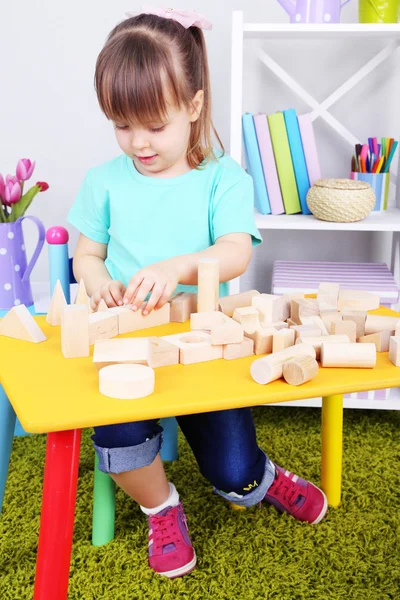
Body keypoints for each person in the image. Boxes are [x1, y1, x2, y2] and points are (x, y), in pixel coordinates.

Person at [68, 7, 328, 580]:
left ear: (192, 105)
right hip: (129, 345)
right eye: (121, 123)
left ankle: (262, 476)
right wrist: (100, 282)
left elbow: (237, 250)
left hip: (205, 343)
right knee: (118, 438)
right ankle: (161, 506)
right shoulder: (103, 181)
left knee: (234, 475)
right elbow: (85, 255)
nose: (137, 142)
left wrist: (179, 264)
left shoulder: (223, 178)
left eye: (154, 124)